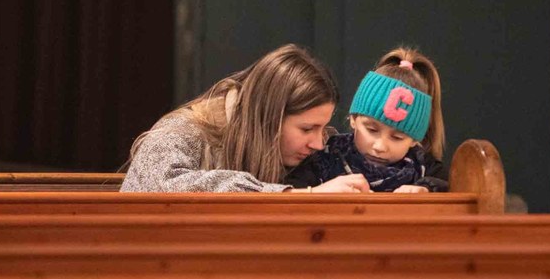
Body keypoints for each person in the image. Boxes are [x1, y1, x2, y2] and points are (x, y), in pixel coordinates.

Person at [120, 44, 371, 193]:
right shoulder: (182, 132)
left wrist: (406, 188)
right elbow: (160, 188)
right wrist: (298, 195)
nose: (317, 143)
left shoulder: (319, 150)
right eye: (307, 129)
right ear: (269, 118)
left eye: (322, 129)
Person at [292, 47, 447, 193]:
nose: (380, 146)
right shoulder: (323, 159)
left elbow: (451, 187)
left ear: (414, 140)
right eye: (372, 130)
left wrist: (426, 190)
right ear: (353, 119)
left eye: (397, 137)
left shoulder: (424, 168)